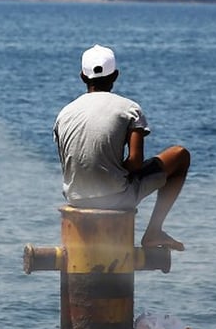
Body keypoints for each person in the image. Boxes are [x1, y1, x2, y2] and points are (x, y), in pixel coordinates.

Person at [53, 44, 189, 251]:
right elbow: (134, 163)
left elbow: (70, 162)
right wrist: (114, 173)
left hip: (76, 197)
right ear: (115, 75)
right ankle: (154, 231)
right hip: (115, 198)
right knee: (180, 155)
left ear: (82, 76)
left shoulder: (64, 114)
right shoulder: (129, 109)